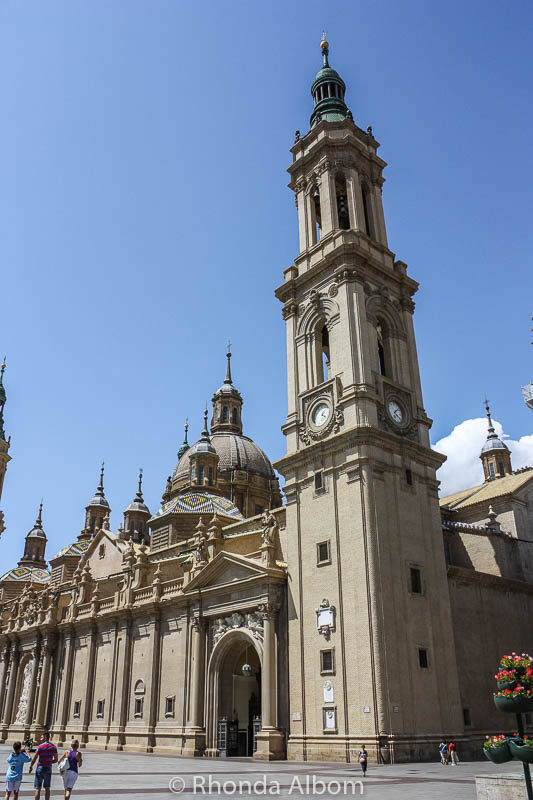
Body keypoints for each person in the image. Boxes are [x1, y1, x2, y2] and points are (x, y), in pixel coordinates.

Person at [29, 732, 58, 800]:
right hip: (48, 768)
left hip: (40, 768)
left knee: (38, 788)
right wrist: (49, 762)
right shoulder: (53, 747)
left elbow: (35, 758)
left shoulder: (40, 747)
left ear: (45, 737)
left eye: (42, 737)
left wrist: (31, 766)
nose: (40, 738)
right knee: (47, 788)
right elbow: (56, 760)